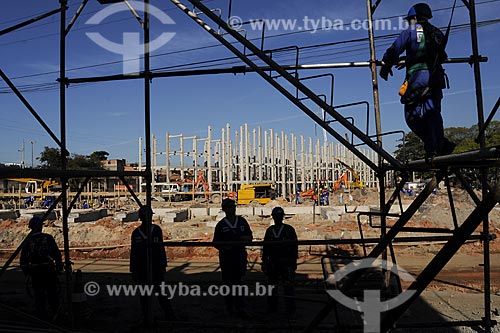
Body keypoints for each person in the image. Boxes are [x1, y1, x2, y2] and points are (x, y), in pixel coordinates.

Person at [380, 3, 455, 161]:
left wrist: (385, 65)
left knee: (411, 116)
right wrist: (409, 59)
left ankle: (436, 145)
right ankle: (438, 145)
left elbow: (394, 50)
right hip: (436, 78)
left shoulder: (411, 30)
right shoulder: (437, 33)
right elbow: (441, 56)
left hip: (418, 78)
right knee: (433, 112)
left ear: (414, 17)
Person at [130, 206, 176, 322]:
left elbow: (161, 249)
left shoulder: (156, 230)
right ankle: (147, 317)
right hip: (142, 268)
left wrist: (162, 265)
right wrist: (134, 271)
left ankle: (169, 315)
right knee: (145, 295)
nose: (149, 218)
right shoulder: (136, 233)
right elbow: (134, 253)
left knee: (161, 293)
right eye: (147, 216)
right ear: (141, 217)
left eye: (150, 216)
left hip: (155, 267)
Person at [213, 198, 253, 316]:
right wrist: (225, 246)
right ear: (224, 209)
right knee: (228, 283)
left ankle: (240, 307)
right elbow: (215, 242)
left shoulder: (242, 222)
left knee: (239, 281)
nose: (232, 209)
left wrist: (241, 240)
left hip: (239, 257)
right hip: (227, 259)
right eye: (229, 207)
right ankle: (229, 307)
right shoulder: (221, 225)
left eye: (233, 206)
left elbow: (249, 237)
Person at [20, 216, 63, 321]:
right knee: (52, 294)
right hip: (49, 270)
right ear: (41, 227)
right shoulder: (48, 238)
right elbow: (57, 254)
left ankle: (41, 317)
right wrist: (59, 268)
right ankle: (56, 316)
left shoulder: (28, 241)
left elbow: (23, 260)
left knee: (39, 296)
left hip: (36, 272)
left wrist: (27, 272)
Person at [262, 207, 298, 315]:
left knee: (287, 287)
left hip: (285, 262)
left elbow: (294, 246)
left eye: (278, 216)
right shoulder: (271, 231)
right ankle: (273, 308)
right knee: (273, 287)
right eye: (276, 216)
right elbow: (265, 248)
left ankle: (289, 309)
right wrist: (265, 261)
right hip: (274, 263)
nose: (277, 218)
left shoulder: (288, 230)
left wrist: (293, 261)